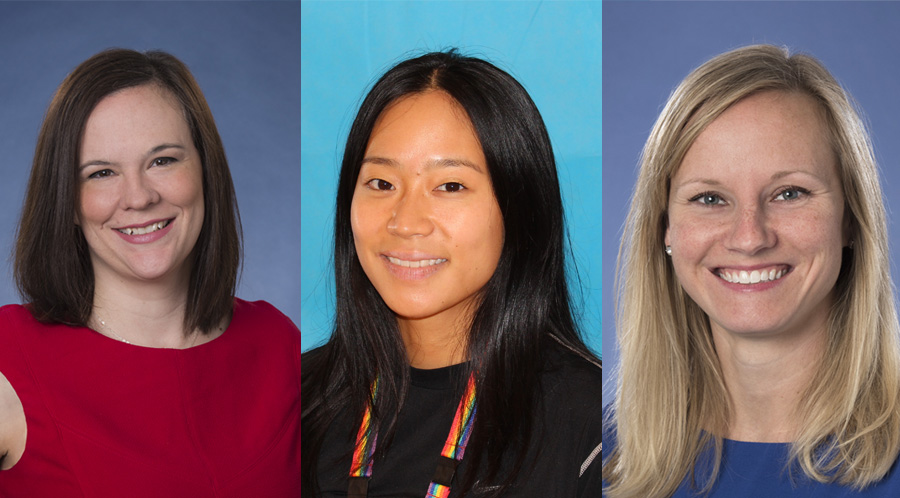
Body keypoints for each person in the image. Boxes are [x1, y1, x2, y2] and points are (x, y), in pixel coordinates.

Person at [602, 44, 900, 497]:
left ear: (850, 219)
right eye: (709, 199)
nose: (749, 237)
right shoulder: (604, 461)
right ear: (665, 228)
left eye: (789, 193)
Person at [301, 50, 602, 497]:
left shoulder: (592, 420)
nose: (406, 221)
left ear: (519, 208)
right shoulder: (294, 399)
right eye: (381, 184)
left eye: (450, 186)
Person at [0, 49, 301, 495]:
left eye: (163, 161)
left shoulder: (279, 347)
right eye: (101, 173)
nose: (138, 197)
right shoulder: (9, 357)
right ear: (67, 202)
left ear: (206, 171)